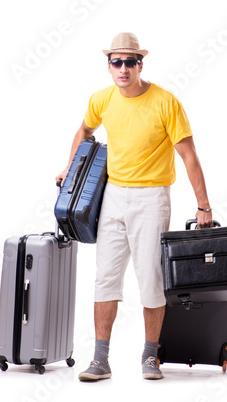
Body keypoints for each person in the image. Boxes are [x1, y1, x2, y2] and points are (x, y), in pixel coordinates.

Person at [56, 32, 213, 381]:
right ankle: (100, 360)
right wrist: (70, 166)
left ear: (140, 64)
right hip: (112, 195)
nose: (123, 68)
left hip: (152, 198)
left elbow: (189, 156)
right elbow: (83, 129)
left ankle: (149, 357)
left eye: (130, 62)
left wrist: (204, 206)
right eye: (116, 62)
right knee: (106, 278)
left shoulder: (165, 102)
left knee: (151, 279)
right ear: (109, 65)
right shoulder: (102, 99)